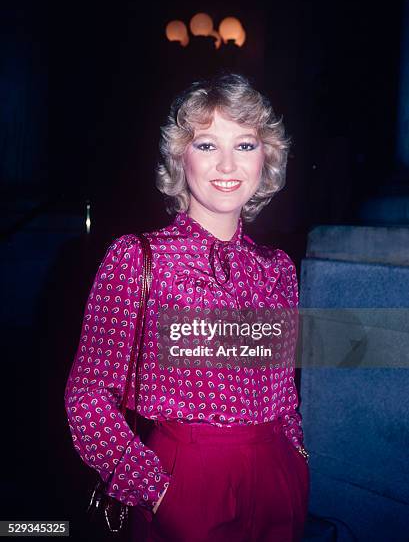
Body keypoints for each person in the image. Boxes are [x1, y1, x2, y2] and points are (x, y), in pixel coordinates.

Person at [64, 72, 310, 541]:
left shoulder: (277, 269)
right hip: (184, 482)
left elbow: (283, 395)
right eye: (205, 145)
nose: (226, 164)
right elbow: (87, 398)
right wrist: (156, 489)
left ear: (267, 159)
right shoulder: (138, 258)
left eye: (244, 145)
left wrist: (296, 457)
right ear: (180, 157)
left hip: (279, 481)